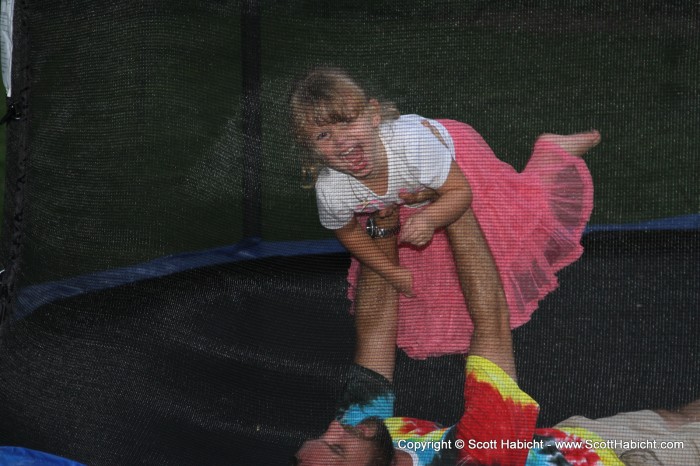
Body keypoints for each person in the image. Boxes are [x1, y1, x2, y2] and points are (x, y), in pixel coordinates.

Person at [292, 208, 700, 465]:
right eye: (337, 447)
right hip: (637, 460)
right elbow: (490, 322)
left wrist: (382, 220)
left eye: (322, 438)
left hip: (566, 445)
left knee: (677, 416)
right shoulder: (473, 460)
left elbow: (375, 331)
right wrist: (455, 203)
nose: (334, 426)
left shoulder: (365, 435)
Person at [289, 67, 601, 359]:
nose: (341, 141)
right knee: (431, 263)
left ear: (373, 115)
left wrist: (429, 217)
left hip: (457, 165)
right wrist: (391, 270)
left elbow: (459, 193)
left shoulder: (415, 146)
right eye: (323, 135)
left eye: (347, 122)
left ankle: (550, 154)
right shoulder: (332, 189)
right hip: (410, 189)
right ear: (310, 148)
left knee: (512, 225)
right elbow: (348, 233)